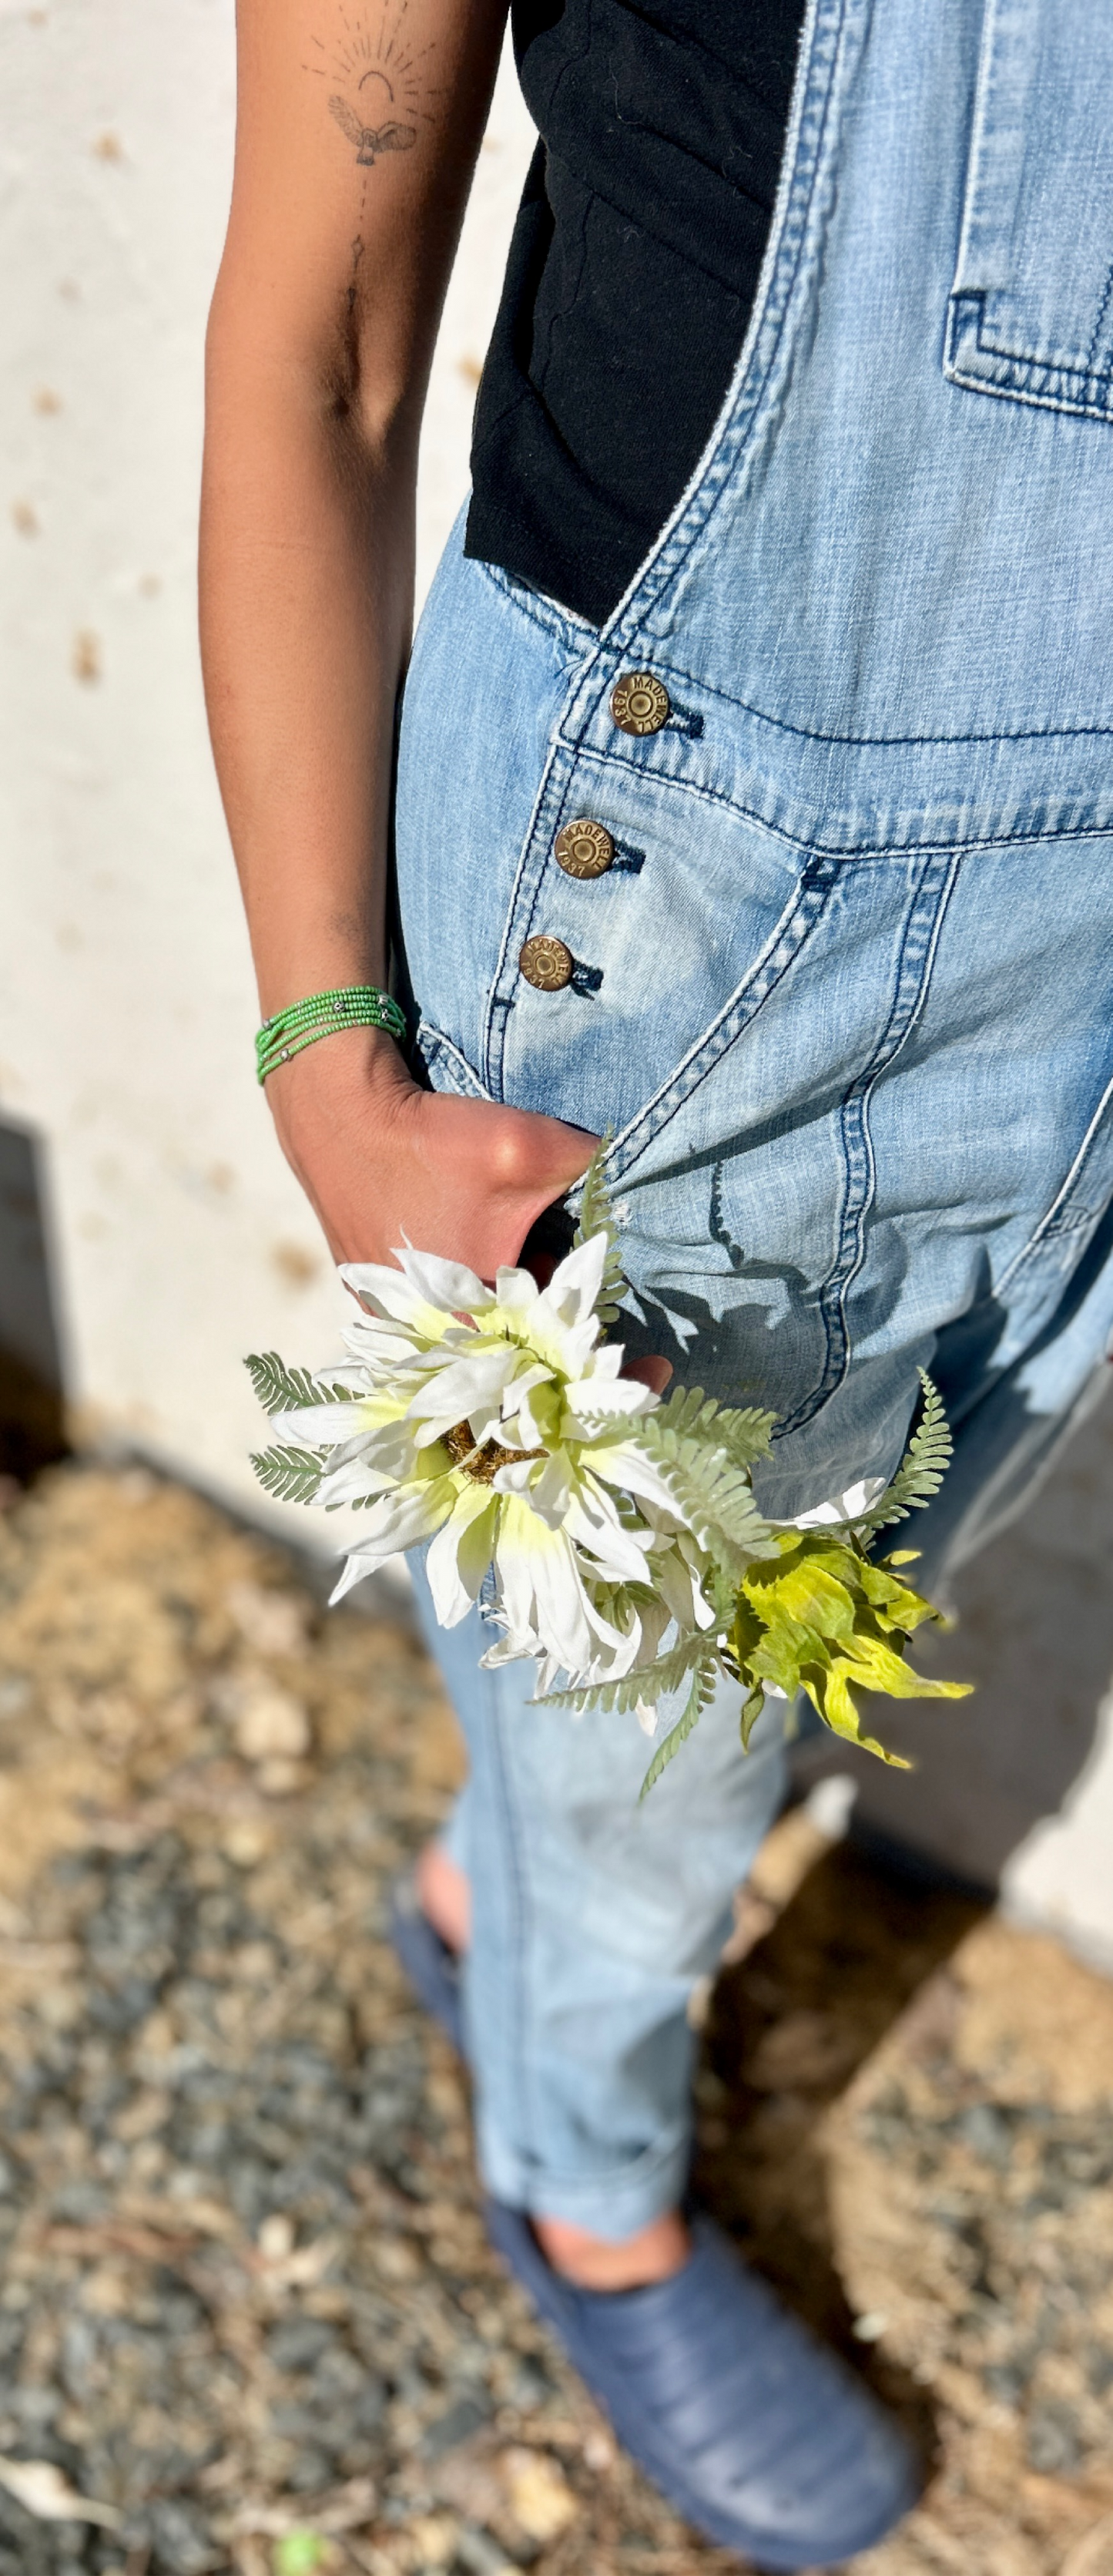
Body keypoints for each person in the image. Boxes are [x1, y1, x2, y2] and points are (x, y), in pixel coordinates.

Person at [199, 0, 1113, 2561]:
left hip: (1092, 993)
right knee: (656, 1761)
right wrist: (319, 1046)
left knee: (905, 1544)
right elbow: (324, 337)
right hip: (707, 984)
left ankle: (483, 1882)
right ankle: (580, 2188)